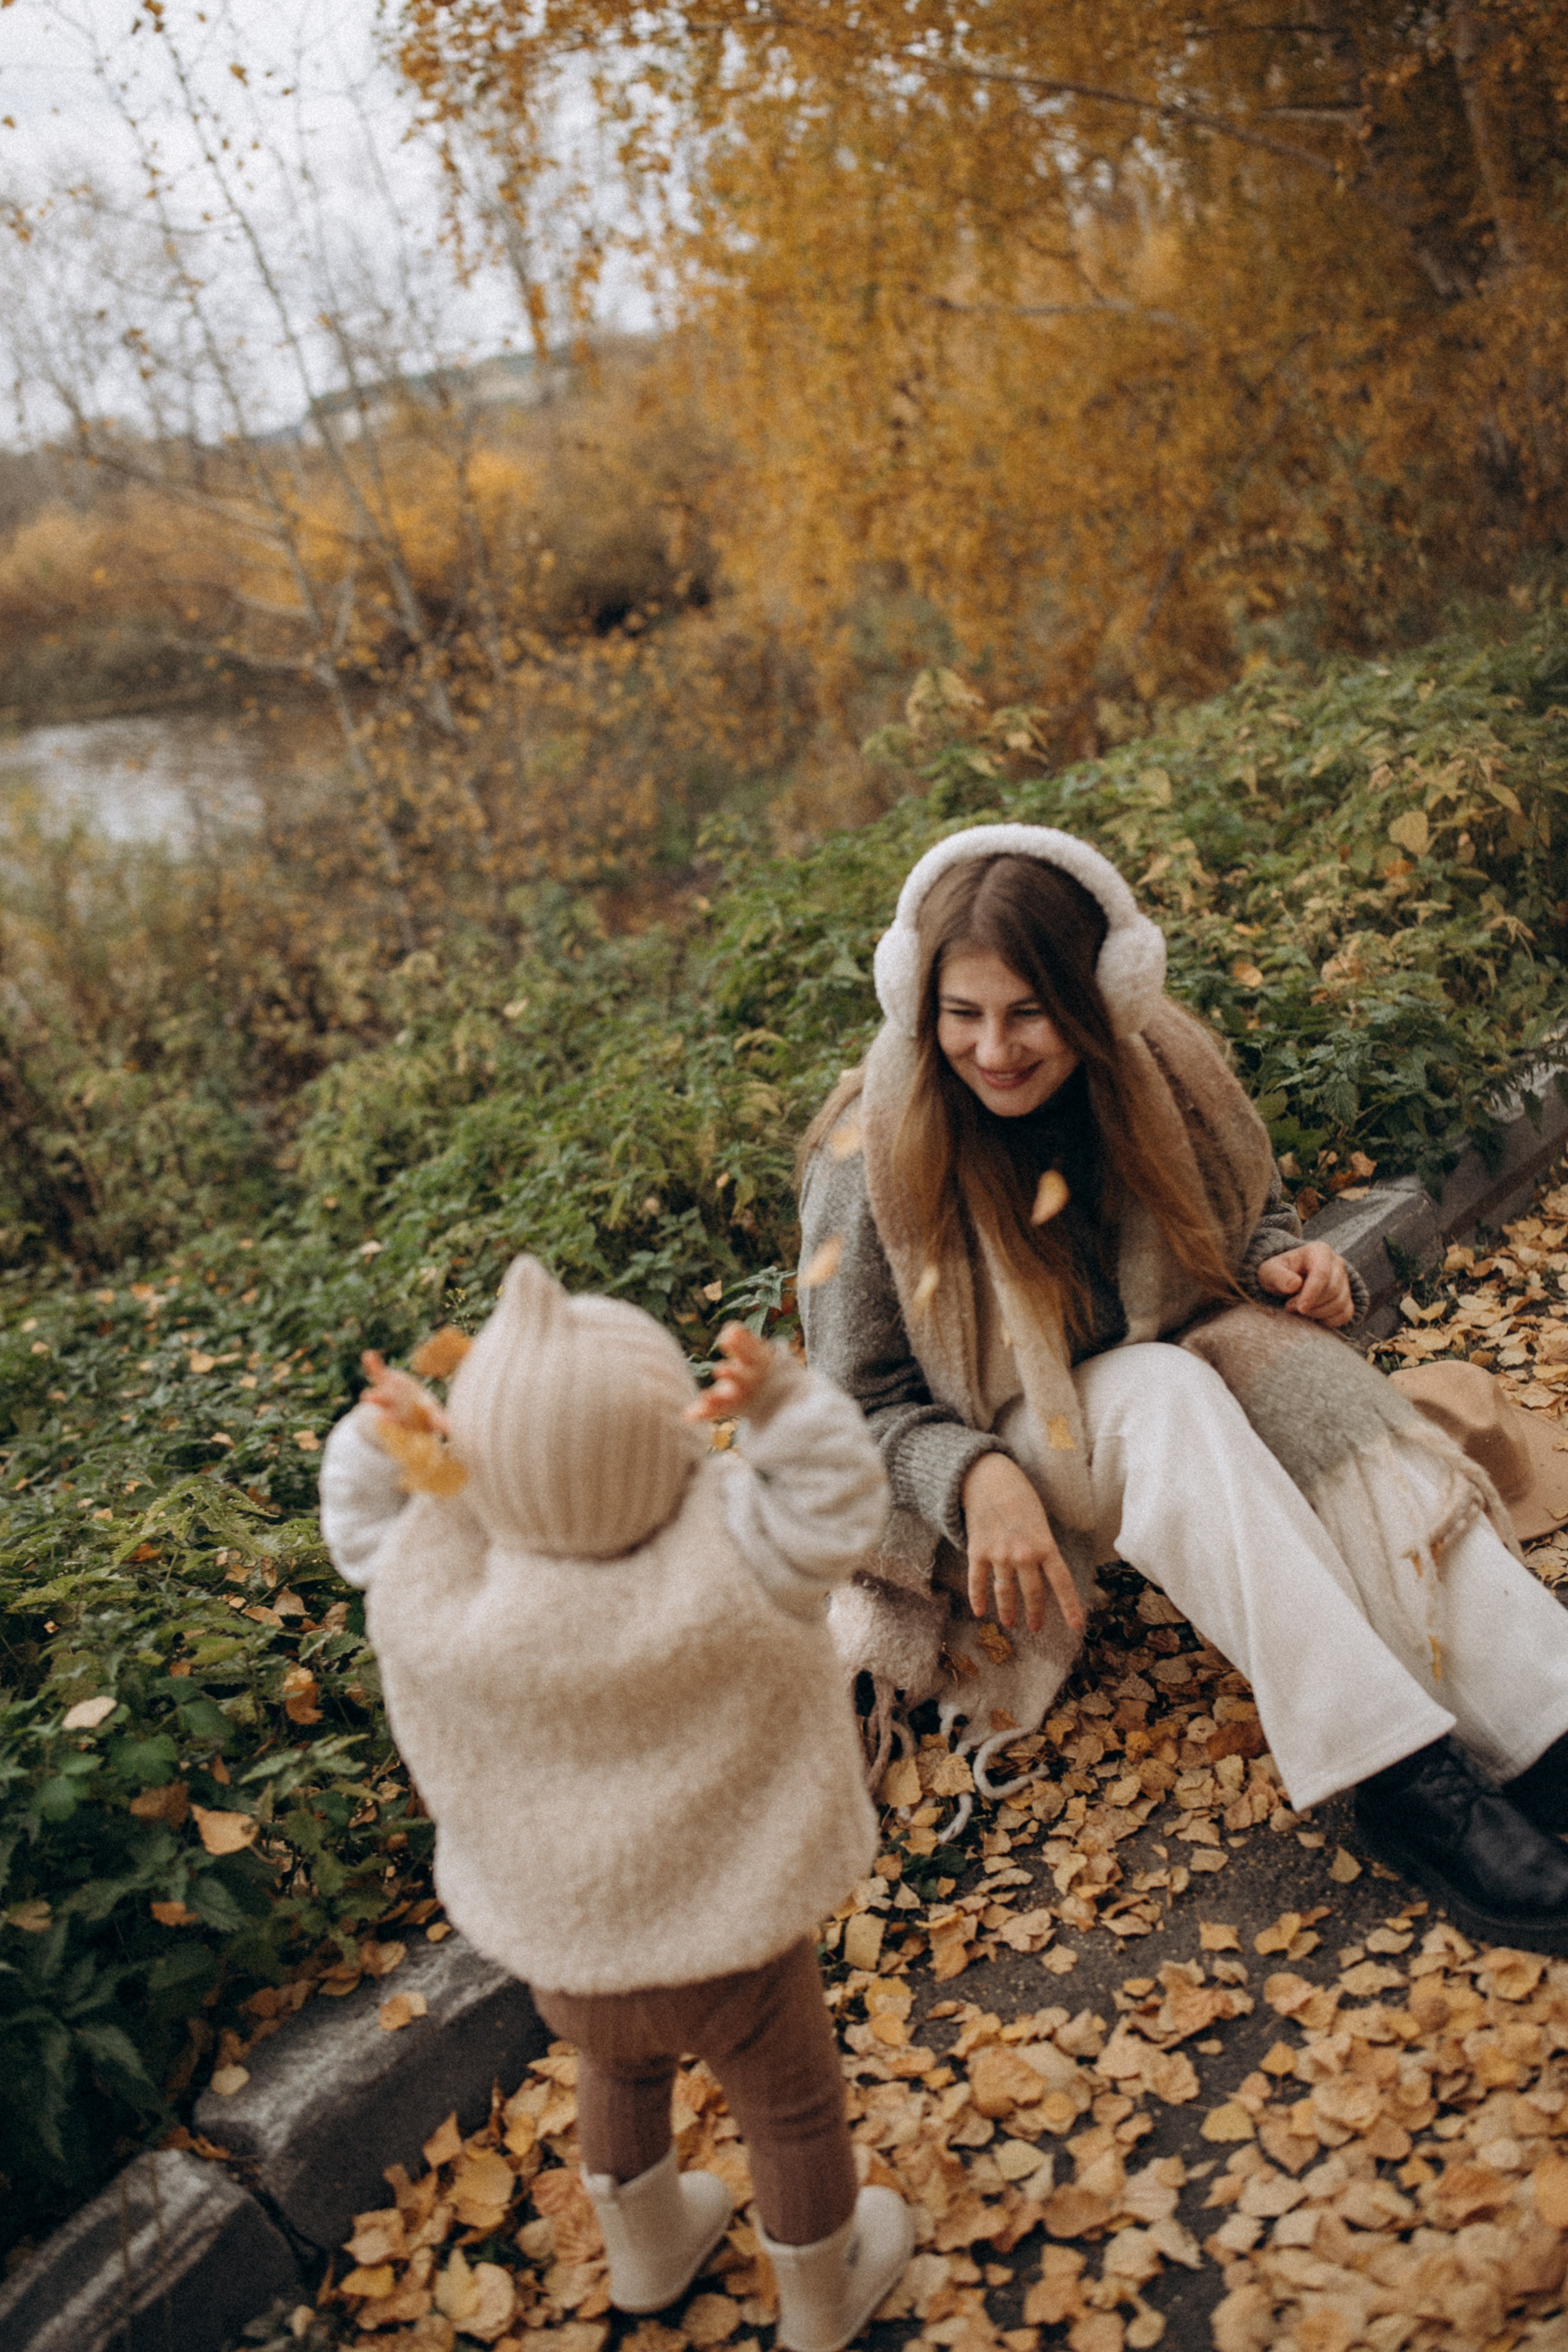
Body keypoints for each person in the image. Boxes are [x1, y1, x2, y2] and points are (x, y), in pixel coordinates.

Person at [799, 822, 1568, 1951]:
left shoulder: (1160, 1075)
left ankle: (1547, 1724)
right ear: (917, 1002)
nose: (994, 1050)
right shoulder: (875, 1149)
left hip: (1168, 1375)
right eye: (961, 1015)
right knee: (1163, 1393)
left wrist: (1285, 1265)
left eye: (1028, 1012)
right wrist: (970, 1478)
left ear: (1104, 995)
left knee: (1313, 1395)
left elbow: (1242, 1214)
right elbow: (848, 1409)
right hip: (998, 1448)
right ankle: (1402, 1779)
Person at [317, 1258, 914, 2352]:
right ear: (674, 1432)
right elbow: (840, 1500)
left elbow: (360, 1525)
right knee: (789, 2113)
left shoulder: (439, 1578)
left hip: (574, 1952)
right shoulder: (737, 1548)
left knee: (617, 2071)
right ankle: (825, 2300)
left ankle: (646, 2249)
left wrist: (377, 1435)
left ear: (474, 1464)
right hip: (737, 1940)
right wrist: (781, 1402)